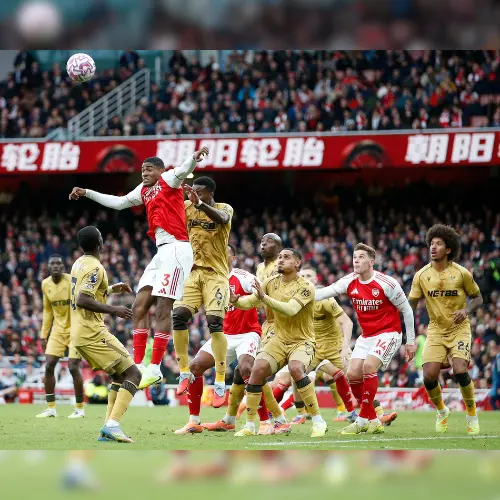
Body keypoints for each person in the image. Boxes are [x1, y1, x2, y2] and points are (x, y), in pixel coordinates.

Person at [69, 148, 209, 390]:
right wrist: (87, 192)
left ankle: (155, 368)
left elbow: (183, 169)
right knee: (139, 306)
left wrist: (194, 159)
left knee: (163, 307)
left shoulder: (169, 179)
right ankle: (139, 365)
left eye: (149, 169)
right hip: (161, 252)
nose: (144, 172)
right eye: (143, 169)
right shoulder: (144, 190)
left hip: (178, 248)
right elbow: (119, 203)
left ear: (160, 170)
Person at [316, 243, 416, 435]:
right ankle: (374, 421)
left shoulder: (387, 283)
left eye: (361, 257)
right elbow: (324, 292)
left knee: (369, 366)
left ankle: (362, 420)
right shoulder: (349, 281)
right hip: (367, 335)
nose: (356, 260)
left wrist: (410, 341)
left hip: (389, 333)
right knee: (353, 374)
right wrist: (298, 296)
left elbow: (407, 310)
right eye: (355, 257)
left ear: (371, 261)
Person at [232, 248, 328, 438]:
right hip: (279, 339)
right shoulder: (270, 282)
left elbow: (291, 309)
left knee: (295, 368)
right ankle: (250, 425)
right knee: (257, 370)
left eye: (286, 257)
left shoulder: (306, 286)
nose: (281, 260)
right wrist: (236, 301)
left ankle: (318, 421)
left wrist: (265, 298)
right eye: (280, 257)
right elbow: (252, 301)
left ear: (297, 263)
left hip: (302, 341)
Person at [178, 245, 272, 434]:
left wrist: (244, 300)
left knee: (247, 368)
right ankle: (194, 421)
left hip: (248, 334)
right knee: (195, 366)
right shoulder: (209, 279)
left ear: (233, 257)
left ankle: (265, 422)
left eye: (225, 252)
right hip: (223, 336)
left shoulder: (243, 277)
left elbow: (261, 294)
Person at [408, 224, 483, 434]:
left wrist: (466, 310)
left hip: (459, 329)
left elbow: (478, 298)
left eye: (439, 244)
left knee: (460, 370)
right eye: (431, 243)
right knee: (429, 376)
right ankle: (442, 411)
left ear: (448, 249)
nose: (433, 247)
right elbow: (410, 304)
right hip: (435, 330)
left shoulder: (461, 273)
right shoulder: (421, 275)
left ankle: (471, 414)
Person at [70, 225, 141, 443]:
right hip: (92, 333)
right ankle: (112, 425)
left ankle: (106, 430)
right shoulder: (95, 267)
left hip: (80, 332)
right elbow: (82, 299)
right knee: (134, 374)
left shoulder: (79, 263)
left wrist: (110, 290)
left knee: (119, 376)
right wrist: (115, 310)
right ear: (100, 243)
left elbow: (85, 293)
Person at [172, 177, 234, 408]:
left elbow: (223, 219)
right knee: (178, 316)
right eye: (193, 192)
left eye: (199, 192)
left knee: (214, 322)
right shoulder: (186, 206)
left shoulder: (224, 208)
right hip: (192, 272)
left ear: (210, 194)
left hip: (215, 275)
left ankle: (220, 380)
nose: (194, 195)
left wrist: (199, 204)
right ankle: (184, 371)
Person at [36, 254, 85, 419]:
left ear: (63, 267)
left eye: (59, 263)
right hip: (57, 330)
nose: (56, 266)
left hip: (75, 329)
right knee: (49, 365)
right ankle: (51, 408)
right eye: (53, 263)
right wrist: (43, 335)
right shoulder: (45, 284)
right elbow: (47, 310)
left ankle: (79, 408)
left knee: (73, 367)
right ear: (48, 267)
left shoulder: (72, 281)